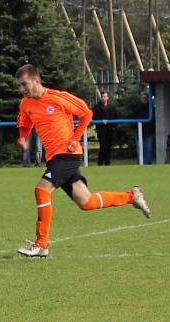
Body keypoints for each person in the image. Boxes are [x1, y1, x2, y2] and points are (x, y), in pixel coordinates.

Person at [14, 64, 151, 258]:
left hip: (67, 154)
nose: (21, 89)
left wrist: (74, 138)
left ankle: (41, 244)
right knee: (86, 202)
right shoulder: (26, 103)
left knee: (41, 190)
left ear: (36, 80)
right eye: (19, 86)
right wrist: (22, 137)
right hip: (54, 157)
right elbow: (25, 123)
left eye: (24, 84)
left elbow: (86, 113)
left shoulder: (58, 97)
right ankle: (131, 196)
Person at [92, 90, 118, 166]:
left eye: (105, 96)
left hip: (110, 129)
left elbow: (115, 118)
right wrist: (101, 121)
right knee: (103, 145)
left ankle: (107, 162)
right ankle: (100, 162)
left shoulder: (112, 108)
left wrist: (113, 126)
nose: (104, 98)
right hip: (101, 130)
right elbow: (94, 117)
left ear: (108, 97)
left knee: (109, 145)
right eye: (102, 97)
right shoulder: (96, 108)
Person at [137, 93, 156, 164]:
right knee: (140, 149)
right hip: (139, 131)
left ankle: (147, 164)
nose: (144, 99)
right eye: (143, 98)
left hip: (148, 131)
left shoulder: (151, 108)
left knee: (148, 149)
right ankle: (141, 163)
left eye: (145, 98)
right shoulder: (137, 108)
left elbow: (153, 119)